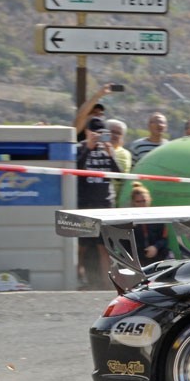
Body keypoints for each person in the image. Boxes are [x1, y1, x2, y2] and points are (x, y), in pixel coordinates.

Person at [76, 117, 121, 288]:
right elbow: (75, 171)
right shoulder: (80, 148)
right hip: (85, 205)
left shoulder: (108, 149)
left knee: (105, 247)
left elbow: (118, 175)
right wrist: (88, 147)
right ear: (87, 132)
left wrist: (111, 155)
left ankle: (107, 283)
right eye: (94, 132)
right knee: (82, 246)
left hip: (105, 205)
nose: (98, 136)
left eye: (101, 133)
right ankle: (76, 278)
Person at [128, 183, 169, 263]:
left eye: (144, 201)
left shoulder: (158, 218)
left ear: (149, 200)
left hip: (157, 256)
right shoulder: (128, 219)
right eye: (138, 202)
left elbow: (164, 240)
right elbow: (124, 244)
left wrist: (155, 247)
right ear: (133, 202)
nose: (142, 204)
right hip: (136, 259)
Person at [105, 119, 132, 199]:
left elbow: (118, 177)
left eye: (119, 133)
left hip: (113, 198)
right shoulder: (95, 148)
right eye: (112, 132)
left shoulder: (124, 154)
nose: (115, 135)